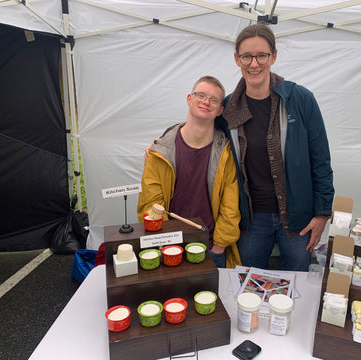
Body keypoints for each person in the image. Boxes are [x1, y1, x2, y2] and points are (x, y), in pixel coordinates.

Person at [215, 24, 335, 271]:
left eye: (262, 55)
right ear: (237, 59)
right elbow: (199, 128)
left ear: (274, 57)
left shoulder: (300, 100)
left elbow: (320, 160)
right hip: (250, 220)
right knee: (249, 285)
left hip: (297, 219)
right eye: (246, 56)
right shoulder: (228, 109)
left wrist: (322, 214)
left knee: (296, 285)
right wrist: (164, 142)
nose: (254, 63)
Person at [137, 76, 241, 268]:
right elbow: (151, 203)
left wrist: (218, 246)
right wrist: (166, 243)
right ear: (189, 99)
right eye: (201, 95)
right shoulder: (161, 152)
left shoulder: (226, 153)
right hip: (169, 248)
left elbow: (231, 206)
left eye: (214, 100)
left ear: (220, 110)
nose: (206, 102)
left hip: (211, 248)